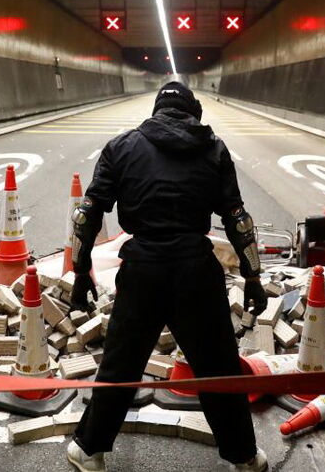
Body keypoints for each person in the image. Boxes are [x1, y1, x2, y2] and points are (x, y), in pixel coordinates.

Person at [65, 81, 269, 472]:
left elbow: (88, 213)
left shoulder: (122, 147)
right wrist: (253, 276)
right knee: (217, 367)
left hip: (142, 269)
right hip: (196, 269)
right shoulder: (213, 149)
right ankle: (244, 456)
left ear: (156, 111)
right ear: (194, 114)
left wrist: (79, 271)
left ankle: (89, 449)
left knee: (121, 366)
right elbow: (238, 220)